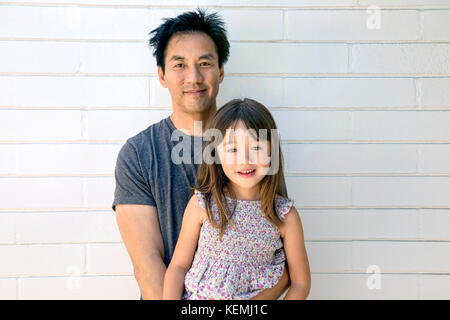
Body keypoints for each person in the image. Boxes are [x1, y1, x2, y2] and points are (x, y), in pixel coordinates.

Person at [112, 9, 290, 299]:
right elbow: (147, 266)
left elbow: (281, 253)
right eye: (179, 64)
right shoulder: (138, 154)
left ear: (220, 71)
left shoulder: (256, 144)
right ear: (162, 75)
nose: (193, 77)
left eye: (204, 63)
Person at [163, 98, 311, 300]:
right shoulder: (202, 204)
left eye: (256, 148)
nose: (245, 160)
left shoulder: (284, 215)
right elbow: (178, 266)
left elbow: (301, 282)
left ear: (271, 150)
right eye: (233, 150)